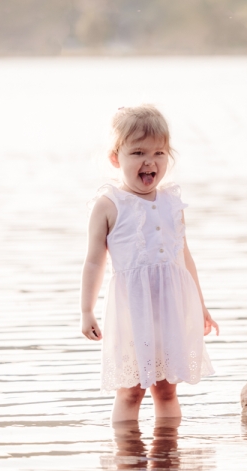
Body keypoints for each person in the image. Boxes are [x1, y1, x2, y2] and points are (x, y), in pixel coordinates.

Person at [80, 105, 219, 423]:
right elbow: (92, 262)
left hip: (171, 309)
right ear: (116, 158)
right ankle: (128, 463)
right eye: (138, 152)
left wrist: (200, 306)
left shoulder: (172, 202)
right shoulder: (109, 204)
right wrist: (86, 310)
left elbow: (184, 257)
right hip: (132, 311)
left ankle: (169, 461)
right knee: (130, 390)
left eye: (159, 153)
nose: (150, 161)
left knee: (167, 389)